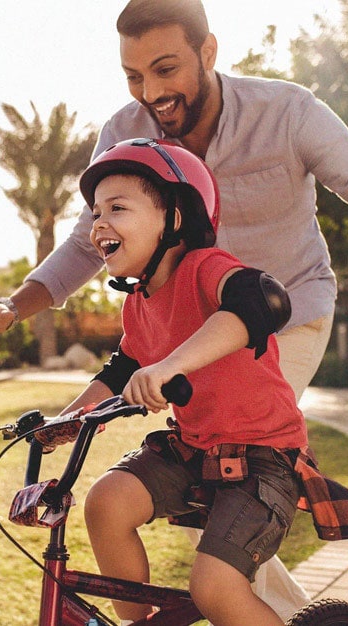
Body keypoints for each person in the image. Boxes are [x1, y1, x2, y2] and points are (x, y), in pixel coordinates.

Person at [0, 0, 348, 618]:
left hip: (279, 315)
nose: (151, 93)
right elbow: (88, 244)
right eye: (134, 76)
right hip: (178, 320)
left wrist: (167, 366)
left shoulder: (287, 112)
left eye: (165, 70)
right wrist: (8, 310)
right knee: (184, 506)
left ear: (208, 53)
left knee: (230, 479)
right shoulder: (127, 136)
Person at [57, 137, 306, 626]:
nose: (98, 223)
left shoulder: (203, 269)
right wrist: (67, 420)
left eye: (117, 208)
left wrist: (170, 365)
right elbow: (120, 370)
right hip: (195, 450)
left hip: (263, 460)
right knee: (106, 502)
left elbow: (263, 304)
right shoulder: (138, 302)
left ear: (173, 219)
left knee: (215, 587)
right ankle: (137, 621)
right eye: (95, 213)